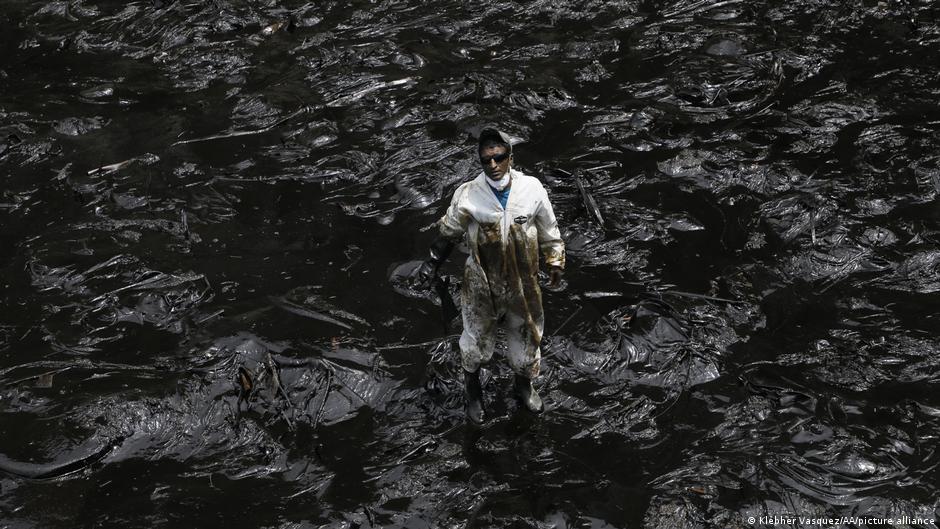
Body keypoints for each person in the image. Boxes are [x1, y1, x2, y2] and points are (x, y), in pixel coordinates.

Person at [417, 128, 565, 424]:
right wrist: (431, 263)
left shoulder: (532, 189)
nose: (494, 165)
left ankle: (524, 387)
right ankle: (474, 396)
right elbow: (448, 233)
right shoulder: (469, 194)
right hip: (481, 281)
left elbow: (550, 230)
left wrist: (555, 261)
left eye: (499, 157)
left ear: (510, 157)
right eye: (487, 160)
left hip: (523, 282)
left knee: (527, 337)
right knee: (474, 342)